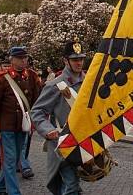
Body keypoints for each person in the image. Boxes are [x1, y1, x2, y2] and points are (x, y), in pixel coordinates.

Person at [31, 38, 87, 195]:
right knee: (72, 186)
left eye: (81, 59)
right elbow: (37, 111)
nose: (79, 63)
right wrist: (47, 130)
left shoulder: (88, 82)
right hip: (63, 144)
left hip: (83, 143)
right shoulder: (55, 85)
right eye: (75, 59)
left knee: (75, 185)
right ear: (65, 60)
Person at [0, 46, 41, 195]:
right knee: (10, 160)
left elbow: (36, 101)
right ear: (12, 59)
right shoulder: (1, 78)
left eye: (25, 58)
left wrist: (35, 122)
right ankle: (13, 192)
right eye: (20, 58)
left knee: (16, 158)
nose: (24, 61)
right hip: (6, 127)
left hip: (22, 126)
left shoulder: (31, 76)